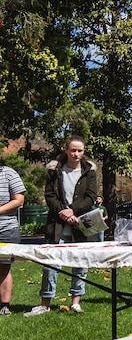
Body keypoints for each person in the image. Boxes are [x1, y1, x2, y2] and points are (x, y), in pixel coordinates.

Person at [25, 135, 98, 317]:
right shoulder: (54, 169)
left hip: (80, 224)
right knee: (51, 264)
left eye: (80, 150)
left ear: (84, 152)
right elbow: (50, 196)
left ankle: (76, 302)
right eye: (73, 150)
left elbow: (90, 197)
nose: (76, 154)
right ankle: (45, 304)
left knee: (80, 264)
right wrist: (63, 212)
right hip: (57, 224)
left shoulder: (89, 170)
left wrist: (72, 211)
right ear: (66, 150)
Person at [0, 165, 26, 316]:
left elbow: (19, 200)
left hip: (6, 229)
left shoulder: (8, 173)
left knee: (3, 268)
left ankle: (4, 305)